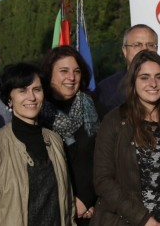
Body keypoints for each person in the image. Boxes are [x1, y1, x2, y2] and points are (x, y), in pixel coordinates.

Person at [93, 51, 160, 226]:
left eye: (159, 77)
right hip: (125, 220)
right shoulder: (115, 121)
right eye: (144, 77)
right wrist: (144, 220)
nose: (153, 84)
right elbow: (103, 180)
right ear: (133, 81)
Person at [0, 63, 74, 226]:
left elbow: (68, 203)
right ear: (9, 99)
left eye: (36, 90)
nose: (31, 97)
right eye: (22, 91)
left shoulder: (55, 141)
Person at [40, 46, 102, 225]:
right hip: (53, 210)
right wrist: (68, 203)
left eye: (76, 71)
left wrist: (87, 200)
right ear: (49, 74)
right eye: (63, 71)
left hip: (93, 211)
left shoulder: (95, 109)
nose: (71, 77)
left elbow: (108, 160)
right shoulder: (36, 114)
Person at [96, 24, 160, 112]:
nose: (144, 50)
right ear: (125, 51)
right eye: (137, 45)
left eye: (151, 45)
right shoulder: (106, 89)